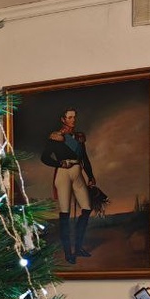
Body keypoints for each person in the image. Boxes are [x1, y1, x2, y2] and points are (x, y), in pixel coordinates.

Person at [40, 108, 96, 264]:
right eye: (70, 117)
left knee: (86, 208)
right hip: (63, 175)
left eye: (74, 117)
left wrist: (91, 176)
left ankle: (77, 247)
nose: (73, 120)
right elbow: (44, 157)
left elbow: (84, 159)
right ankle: (68, 253)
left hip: (77, 174)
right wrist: (59, 163)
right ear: (63, 119)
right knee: (65, 213)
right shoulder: (56, 137)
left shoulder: (78, 138)